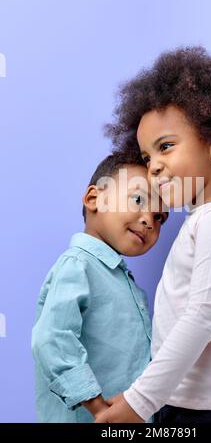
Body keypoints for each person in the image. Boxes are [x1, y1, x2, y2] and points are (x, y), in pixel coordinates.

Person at [97, 46, 211, 423]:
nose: (154, 167)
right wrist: (146, 393)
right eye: (148, 158)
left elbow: (200, 318)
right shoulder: (204, 219)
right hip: (182, 400)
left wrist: (138, 402)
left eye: (166, 147)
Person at [31, 151, 168, 422]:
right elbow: (52, 339)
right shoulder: (77, 265)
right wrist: (99, 409)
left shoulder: (123, 282)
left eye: (160, 217)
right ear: (95, 199)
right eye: (138, 199)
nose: (149, 221)